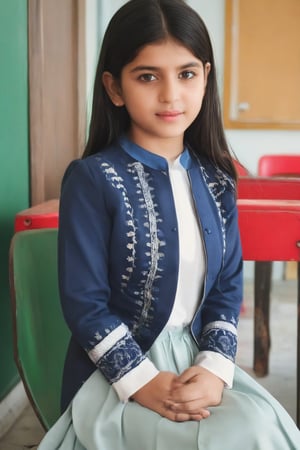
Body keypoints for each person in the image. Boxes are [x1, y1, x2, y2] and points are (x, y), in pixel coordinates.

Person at [38, 1, 300, 448]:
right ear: (114, 88)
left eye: (186, 73)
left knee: (263, 430)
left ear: (205, 77)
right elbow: (85, 304)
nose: (171, 95)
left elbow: (226, 288)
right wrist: (143, 381)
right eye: (147, 76)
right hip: (116, 374)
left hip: (199, 363)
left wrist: (217, 371)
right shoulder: (92, 179)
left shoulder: (218, 180)